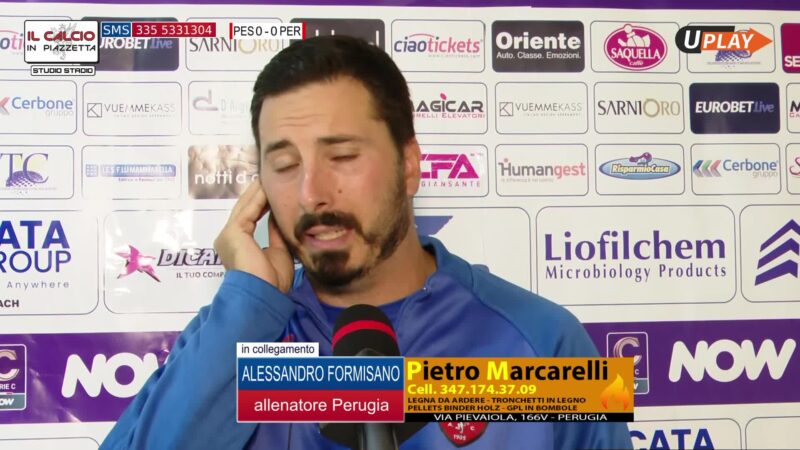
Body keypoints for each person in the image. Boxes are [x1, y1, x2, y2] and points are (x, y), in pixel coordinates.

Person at [100, 35, 632, 450]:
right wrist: (245, 309)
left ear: (409, 164)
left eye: (344, 157)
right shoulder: (232, 339)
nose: (312, 193)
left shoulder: (542, 340)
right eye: (285, 165)